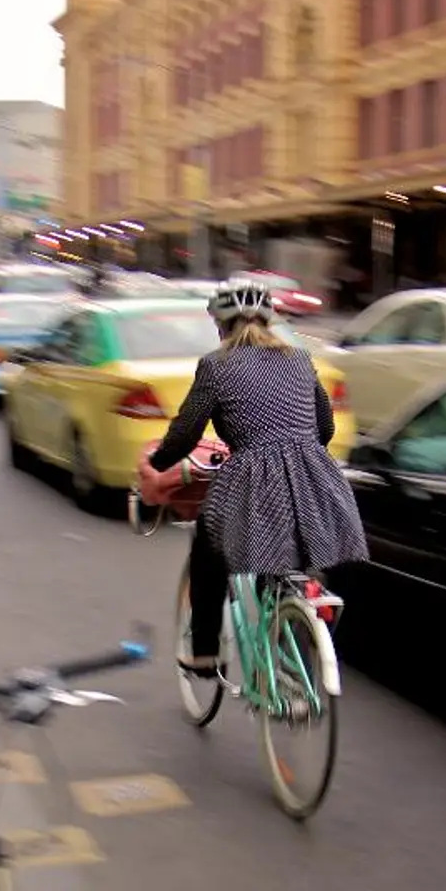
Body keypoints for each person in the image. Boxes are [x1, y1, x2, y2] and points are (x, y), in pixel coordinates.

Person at [148, 281, 368, 675]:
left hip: (252, 476)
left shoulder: (216, 365)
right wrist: (299, 451)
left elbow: (186, 433)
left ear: (220, 325)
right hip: (315, 474)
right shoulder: (301, 359)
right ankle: (291, 657)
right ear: (271, 321)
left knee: (209, 548)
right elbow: (324, 427)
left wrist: (159, 464)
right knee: (287, 560)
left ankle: (204, 654)